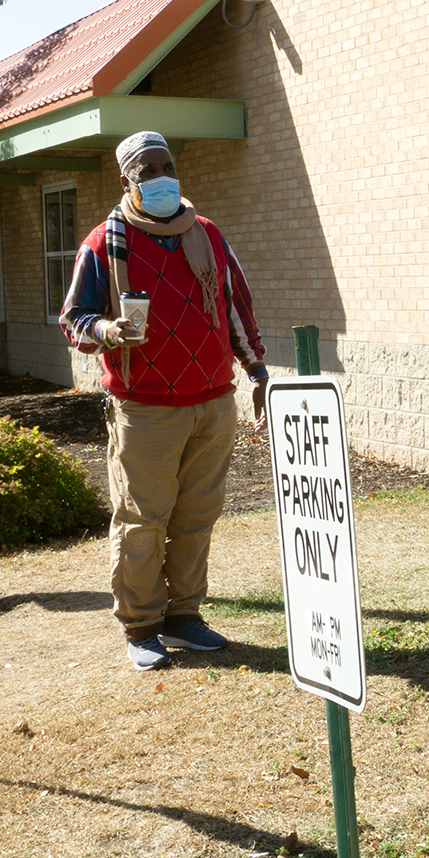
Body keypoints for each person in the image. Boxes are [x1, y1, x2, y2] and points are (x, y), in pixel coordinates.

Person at [63, 131, 269, 670]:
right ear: (126, 179)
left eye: (166, 165)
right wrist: (107, 330)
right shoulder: (104, 244)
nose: (160, 177)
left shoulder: (207, 234)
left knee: (196, 517)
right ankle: (141, 626)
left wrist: (256, 368)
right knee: (142, 520)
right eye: (147, 169)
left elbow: (234, 307)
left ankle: (184, 617)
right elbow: (73, 318)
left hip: (213, 400)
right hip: (144, 406)